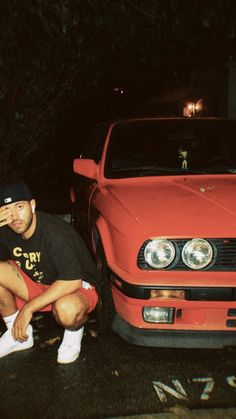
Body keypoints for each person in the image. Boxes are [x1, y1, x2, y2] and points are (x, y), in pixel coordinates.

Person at [0, 181, 99, 364]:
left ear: (32, 205)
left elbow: (72, 280)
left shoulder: (54, 233)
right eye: (7, 210)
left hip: (73, 287)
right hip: (40, 283)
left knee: (67, 310)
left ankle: (74, 331)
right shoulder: (6, 230)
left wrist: (28, 309)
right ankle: (17, 335)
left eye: (19, 207)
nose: (14, 216)